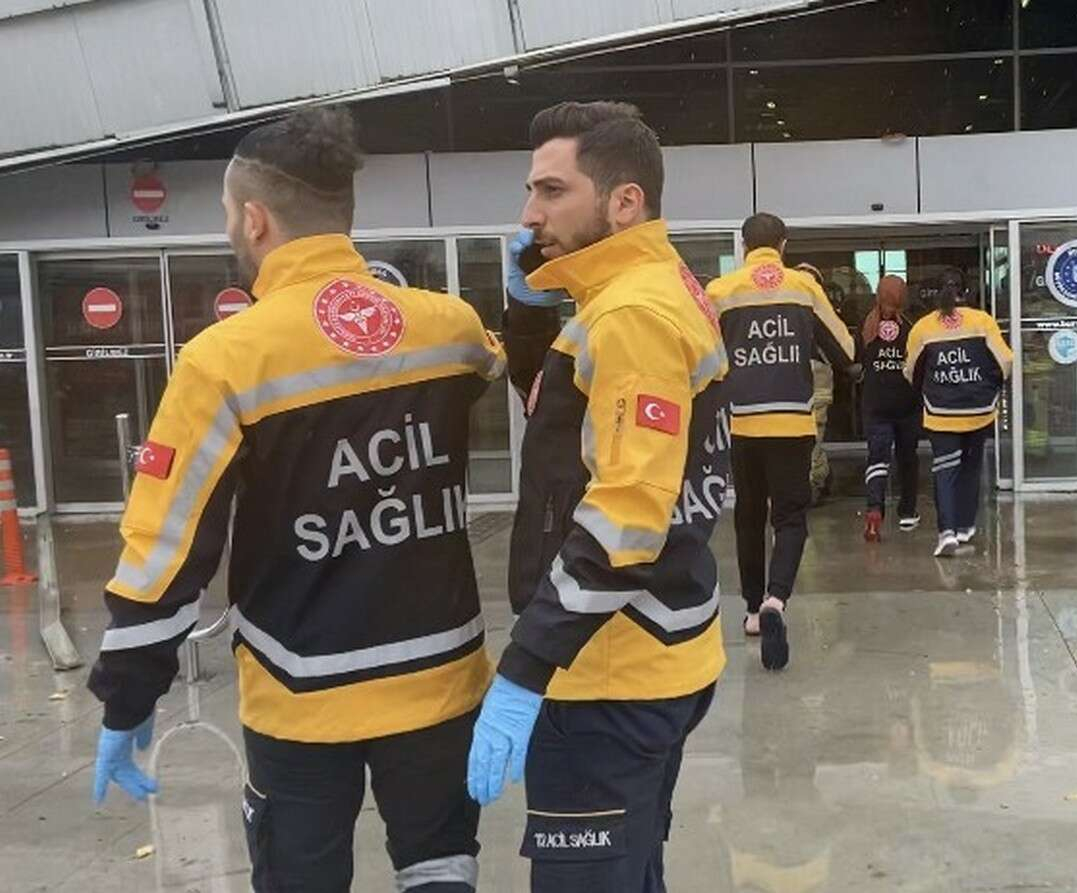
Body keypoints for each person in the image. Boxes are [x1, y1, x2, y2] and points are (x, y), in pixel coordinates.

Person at [86, 107, 505, 892]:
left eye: (227, 215)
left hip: (301, 690)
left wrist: (128, 689)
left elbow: (167, 542)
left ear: (254, 218)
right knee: (442, 867)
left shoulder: (223, 359)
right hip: (440, 677)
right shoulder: (450, 326)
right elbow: (497, 367)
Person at [464, 101, 729, 893]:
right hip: (657, 649)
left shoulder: (631, 313)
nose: (529, 213)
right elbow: (562, 411)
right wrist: (529, 309)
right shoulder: (641, 287)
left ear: (624, 202)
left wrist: (525, 667)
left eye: (552, 191)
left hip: (609, 671)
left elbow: (626, 518)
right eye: (530, 190)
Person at [706, 213, 854, 671]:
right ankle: (776, 600)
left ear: (744, 245)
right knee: (790, 518)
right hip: (792, 423)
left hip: (741, 425)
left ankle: (752, 610)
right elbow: (845, 350)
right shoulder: (803, 288)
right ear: (783, 245)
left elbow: (700, 356)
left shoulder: (720, 292)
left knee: (749, 517)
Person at [905, 271, 1012, 558]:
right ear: (967, 292)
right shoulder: (982, 321)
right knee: (971, 467)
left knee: (946, 469)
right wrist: (989, 388)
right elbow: (1004, 361)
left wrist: (929, 390)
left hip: (940, 412)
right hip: (979, 410)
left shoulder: (923, 327)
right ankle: (965, 526)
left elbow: (912, 371)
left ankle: (947, 532)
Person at [857, 274, 921, 542]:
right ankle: (907, 512)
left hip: (875, 403)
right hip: (906, 403)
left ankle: (874, 509)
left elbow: (858, 360)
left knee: (877, 457)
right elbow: (918, 363)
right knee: (907, 458)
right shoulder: (911, 328)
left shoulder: (866, 327)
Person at [796, 262, 836, 505]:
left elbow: (836, 345)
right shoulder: (790, 311)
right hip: (799, 380)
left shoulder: (822, 315)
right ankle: (819, 476)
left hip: (814, 379)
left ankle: (814, 481)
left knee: (812, 435)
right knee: (807, 436)